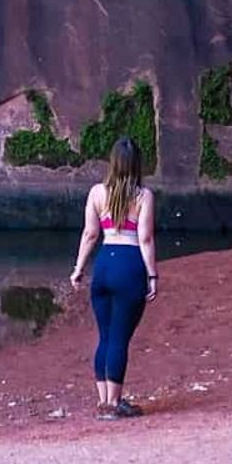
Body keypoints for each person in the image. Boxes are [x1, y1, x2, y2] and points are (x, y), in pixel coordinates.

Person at [68, 135, 158, 417]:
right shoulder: (143, 196)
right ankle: (115, 403)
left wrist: (79, 268)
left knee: (105, 335)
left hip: (104, 264)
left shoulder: (96, 193)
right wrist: (153, 275)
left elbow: (90, 233)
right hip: (129, 265)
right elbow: (145, 238)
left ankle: (104, 400)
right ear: (136, 164)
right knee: (120, 337)